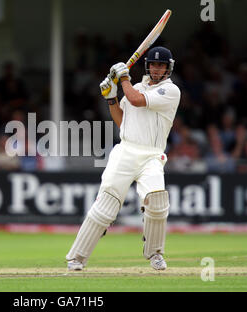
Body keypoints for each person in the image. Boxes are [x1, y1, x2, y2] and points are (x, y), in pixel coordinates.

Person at [66, 46, 181, 271]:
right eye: (154, 65)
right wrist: (111, 98)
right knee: (106, 203)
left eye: (162, 65)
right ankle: (77, 257)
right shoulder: (136, 87)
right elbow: (122, 121)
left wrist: (123, 79)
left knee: (157, 201)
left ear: (168, 68)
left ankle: (155, 253)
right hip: (126, 150)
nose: (157, 69)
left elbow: (137, 100)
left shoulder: (171, 91)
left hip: (152, 155)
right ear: (148, 66)